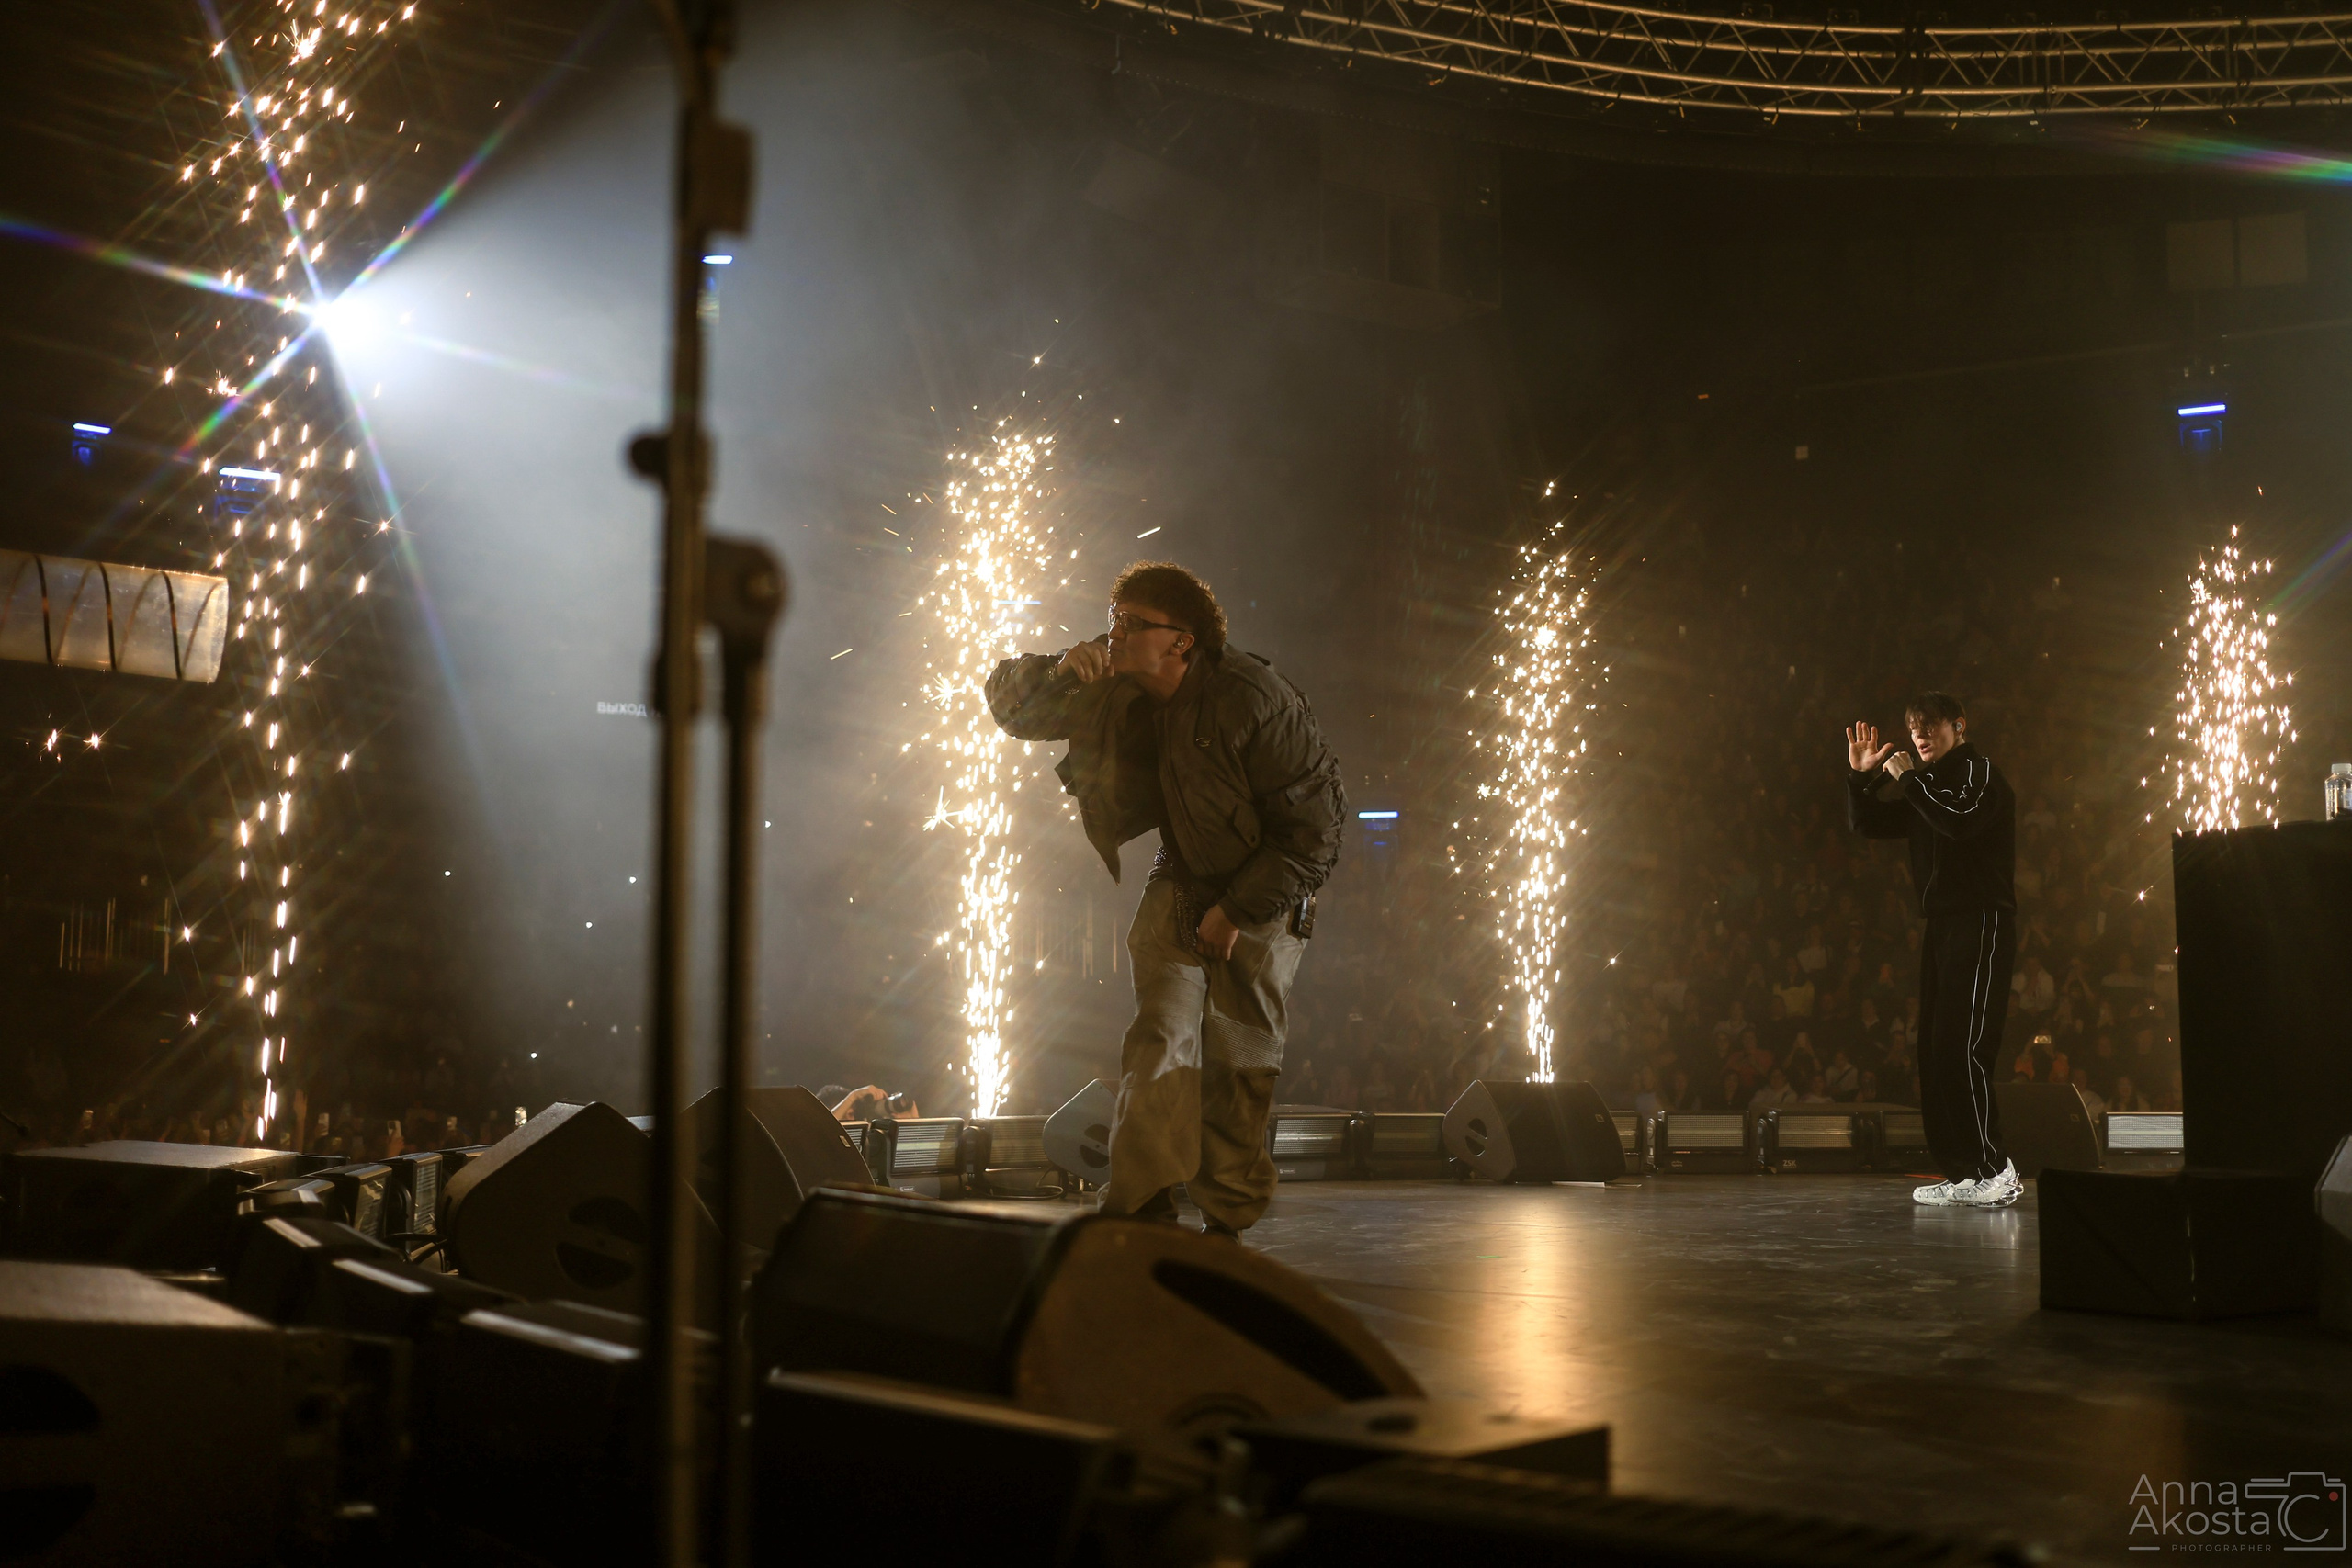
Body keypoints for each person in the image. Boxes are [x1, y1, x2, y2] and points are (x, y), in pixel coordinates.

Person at [988, 561, 1343, 1239]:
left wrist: (1235, 912)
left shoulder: (1255, 699)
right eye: (1113, 619)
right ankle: (1142, 1201)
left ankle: (1228, 1212)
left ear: (1181, 640)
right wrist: (1060, 670)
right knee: (1160, 1037)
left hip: (1265, 894)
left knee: (1239, 1058)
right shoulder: (1111, 679)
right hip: (1180, 876)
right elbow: (1011, 710)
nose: (1113, 633)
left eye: (1131, 623)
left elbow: (1316, 833)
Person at [1846, 692, 2021, 1208]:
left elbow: (1960, 820)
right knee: (1938, 1051)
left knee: (1965, 1047)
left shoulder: (1980, 774)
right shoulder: (1925, 788)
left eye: (1929, 726)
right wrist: (1860, 779)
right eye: (1913, 728)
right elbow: (1868, 824)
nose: (1919, 736)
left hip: (1982, 919)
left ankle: (1996, 1169)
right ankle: (1965, 1172)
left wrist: (1908, 779)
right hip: (1942, 927)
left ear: (1958, 726)